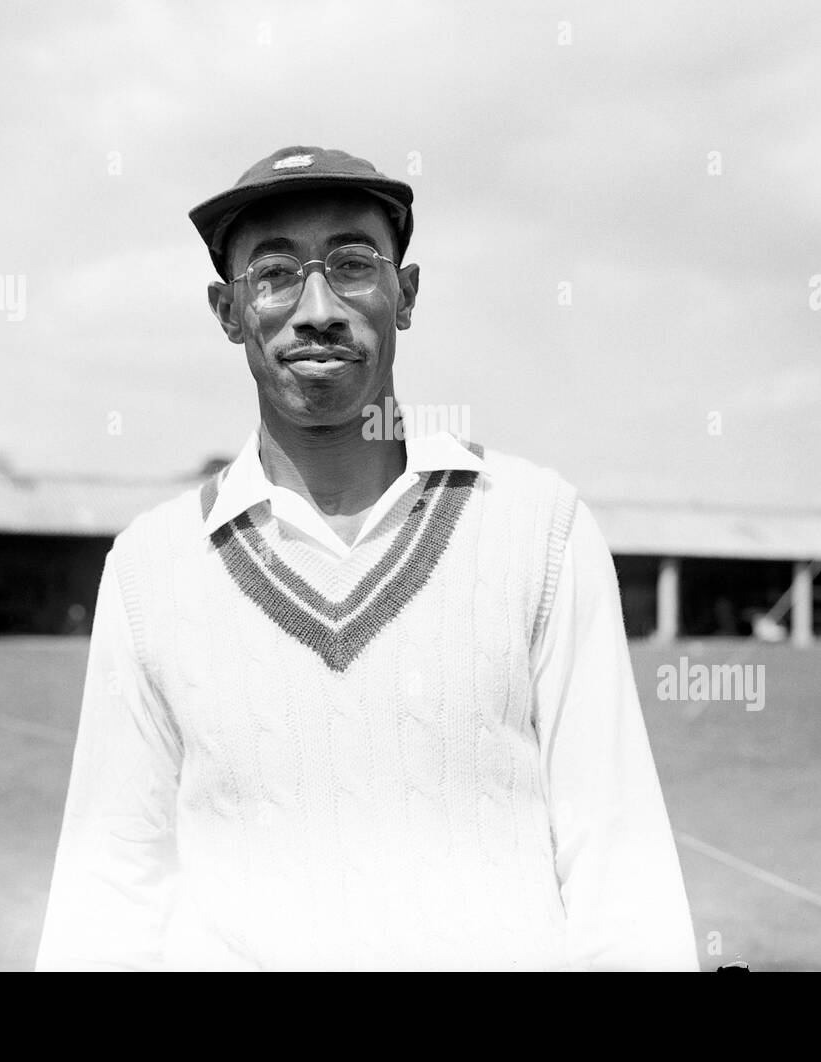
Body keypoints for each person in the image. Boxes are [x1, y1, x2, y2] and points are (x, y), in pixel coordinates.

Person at [35, 145, 697, 971]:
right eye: (273, 273)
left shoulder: (538, 526)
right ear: (228, 311)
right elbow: (111, 895)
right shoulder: (151, 569)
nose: (316, 307)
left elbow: (621, 878)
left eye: (353, 264)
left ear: (406, 294)